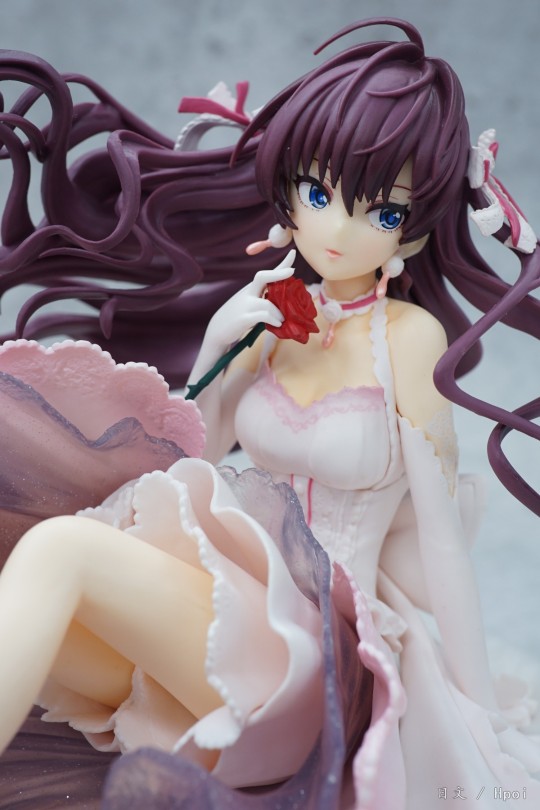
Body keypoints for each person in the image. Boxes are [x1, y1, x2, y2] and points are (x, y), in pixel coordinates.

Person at [0, 17, 539, 810]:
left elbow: (441, 542)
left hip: (317, 651)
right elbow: (192, 463)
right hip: (226, 599)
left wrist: (478, 712)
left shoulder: (410, 340)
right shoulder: (275, 311)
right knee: (30, 569)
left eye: (381, 213)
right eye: (318, 195)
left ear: (416, 231)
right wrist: (221, 342)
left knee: (59, 552)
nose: (338, 230)